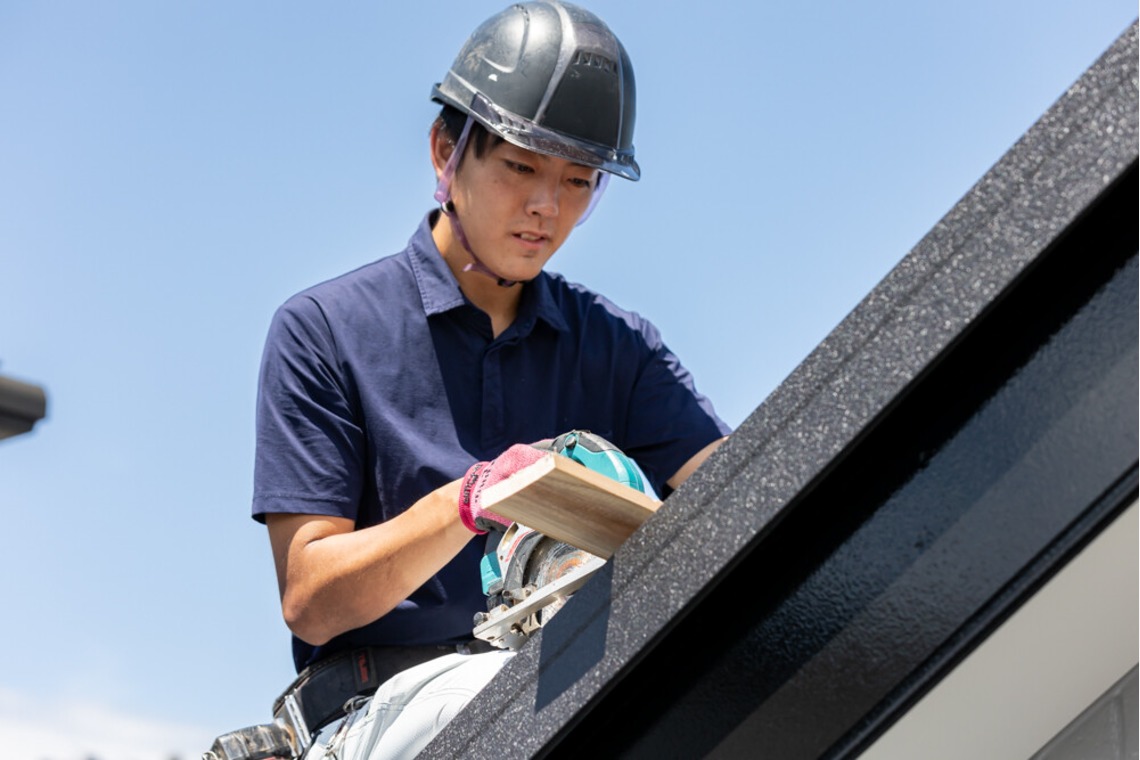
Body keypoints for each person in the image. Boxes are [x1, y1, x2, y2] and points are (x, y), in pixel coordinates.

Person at [252, 2, 731, 756]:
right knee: (499, 696)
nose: (547, 206)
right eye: (521, 166)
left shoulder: (620, 349)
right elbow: (311, 599)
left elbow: (741, 495)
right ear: (446, 149)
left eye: (579, 179)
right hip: (382, 713)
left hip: (570, 690)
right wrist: (469, 501)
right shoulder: (325, 329)